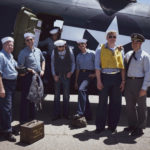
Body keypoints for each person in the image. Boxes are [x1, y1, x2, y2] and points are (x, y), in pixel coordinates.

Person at [95, 30, 125, 134]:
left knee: (116, 103)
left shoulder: (120, 50)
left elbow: (122, 67)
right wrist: (99, 81)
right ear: (106, 38)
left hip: (117, 78)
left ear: (116, 38)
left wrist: (123, 81)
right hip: (104, 77)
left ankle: (112, 126)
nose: (112, 38)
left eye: (114, 37)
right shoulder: (100, 49)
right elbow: (97, 67)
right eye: (110, 36)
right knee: (102, 103)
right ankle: (100, 126)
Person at [124, 33, 150, 136]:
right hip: (129, 82)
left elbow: (148, 72)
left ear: (140, 43)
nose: (134, 44)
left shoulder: (145, 56)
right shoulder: (128, 54)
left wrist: (144, 88)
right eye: (133, 42)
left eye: (136, 42)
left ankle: (140, 127)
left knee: (141, 106)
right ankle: (132, 125)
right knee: (130, 106)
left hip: (140, 82)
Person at [18, 32, 45, 124]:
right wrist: (29, 70)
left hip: (37, 76)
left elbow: (43, 60)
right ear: (25, 42)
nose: (30, 41)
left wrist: (42, 70)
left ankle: (32, 118)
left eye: (31, 39)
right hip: (28, 77)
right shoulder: (23, 52)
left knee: (34, 98)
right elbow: (20, 66)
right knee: (25, 98)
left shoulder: (38, 50)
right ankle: (23, 120)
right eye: (27, 40)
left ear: (34, 40)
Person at [51, 39, 75, 120]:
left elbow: (73, 62)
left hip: (66, 76)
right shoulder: (54, 51)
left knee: (66, 96)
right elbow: (52, 63)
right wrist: (54, 75)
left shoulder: (69, 51)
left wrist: (71, 72)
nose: (59, 48)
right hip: (57, 76)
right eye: (58, 47)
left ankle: (66, 114)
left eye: (61, 46)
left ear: (65, 45)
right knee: (56, 96)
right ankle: (56, 114)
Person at [0, 37, 18, 142]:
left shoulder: (10, 55)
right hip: (5, 84)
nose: (10, 47)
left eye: (12, 45)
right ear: (3, 45)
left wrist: (25, 69)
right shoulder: (1, 56)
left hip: (12, 84)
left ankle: (6, 128)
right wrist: (1, 89)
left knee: (9, 108)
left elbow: (16, 66)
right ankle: (7, 132)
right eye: (8, 45)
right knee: (6, 108)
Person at [74, 39, 95, 121]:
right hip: (81, 75)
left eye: (83, 44)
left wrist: (95, 75)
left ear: (86, 44)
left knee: (81, 90)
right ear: (78, 46)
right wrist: (76, 81)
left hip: (89, 75)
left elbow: (98, 65)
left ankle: (80, 112)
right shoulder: (78, 56)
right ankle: (88, 116)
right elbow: (77, 69)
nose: (81, 45)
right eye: (79, 44)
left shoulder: (92, 53)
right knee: (84, 95)